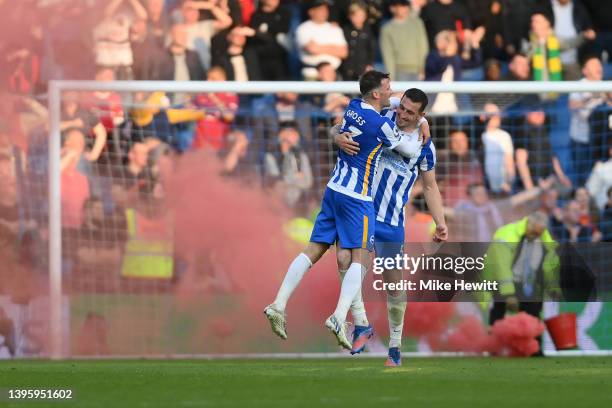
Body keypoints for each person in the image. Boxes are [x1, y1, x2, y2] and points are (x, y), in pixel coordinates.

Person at [263, 71, 421, 350]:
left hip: (333, 189)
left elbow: (343, 125)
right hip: (357, 196)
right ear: (376, 93)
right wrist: (424, 130)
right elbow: (407, 150)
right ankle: (338, 316)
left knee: (315, 249)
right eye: (387, 88)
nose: (391, 91)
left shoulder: (352, 106)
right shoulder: (381, 127)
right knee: (362, 256)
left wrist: (337, 133)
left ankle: (278, 304)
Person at [332, 88, 447, 366]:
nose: (402, 114)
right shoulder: (382, 116)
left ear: (421, 115)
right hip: (362, 210)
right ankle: (360, 324)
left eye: (410, 112)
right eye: (402, 107)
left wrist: (440, 222)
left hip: (392, 221)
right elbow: (340, 126)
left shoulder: (423, 145)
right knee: (344, 257)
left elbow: (430, 186)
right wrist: (336, 137)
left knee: (394, 285)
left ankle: (395, 345)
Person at [483, 211, 561, 356]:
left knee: (533, 311)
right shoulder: (506, 234)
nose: (535, 235)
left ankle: (534, 350)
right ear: (528, 224)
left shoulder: (544, 237)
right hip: (502, 278)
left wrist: (552, 286)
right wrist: (509, 294)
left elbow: (550, 264)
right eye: (533, 232)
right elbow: (501, 267)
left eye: (539, 233)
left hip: (528, 281)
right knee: (499, 309)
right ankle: (494, 349)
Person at [379, 0, 428, 81]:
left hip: (418, 72)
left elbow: (423, 46)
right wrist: (391, 77)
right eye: (401, 6)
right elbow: (388, 55)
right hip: (399, 72)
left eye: (406, 6)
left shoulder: (417, 23)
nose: (405, 9)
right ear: (392, 8)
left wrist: (423, 69)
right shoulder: (387, 29)